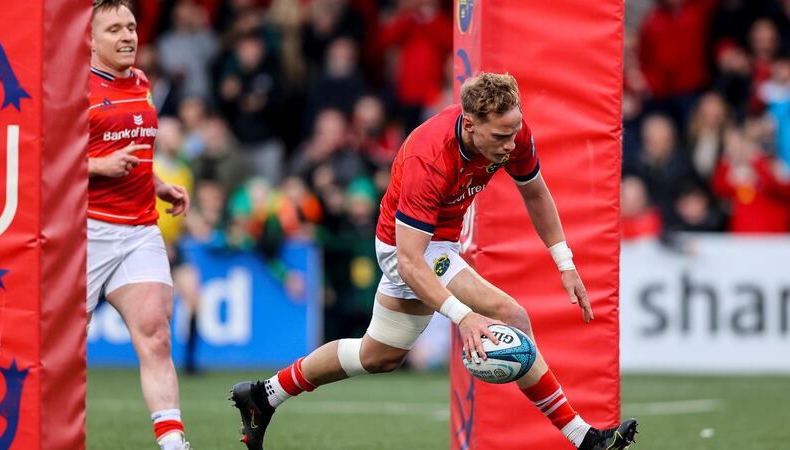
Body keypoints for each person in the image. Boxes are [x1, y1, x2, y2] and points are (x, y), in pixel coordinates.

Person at [230, 72, 638, 450]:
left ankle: (264, 395)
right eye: (501, 136)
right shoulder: (429, 157)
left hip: (438, 244)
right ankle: (584, 437)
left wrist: (564, 262)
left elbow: (535, 192)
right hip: (407, 248)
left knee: (379, 355)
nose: (511, 144)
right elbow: (411, 261)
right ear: (470, 123)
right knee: (512, 315)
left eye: (515, 131)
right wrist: (465, 317)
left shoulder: (510, 130)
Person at [88, 1, 191, 449]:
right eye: (113, 29)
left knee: (156, 335)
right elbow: (39, 163)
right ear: (88, 40)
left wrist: (159, 183)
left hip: (138, 230)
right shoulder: (69, 90)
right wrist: (96, 165)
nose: (127, 35)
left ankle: (172, 444)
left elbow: (132, 153)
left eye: (130, 26)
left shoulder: (142, 83)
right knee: (55, 351)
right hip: (83, 232)